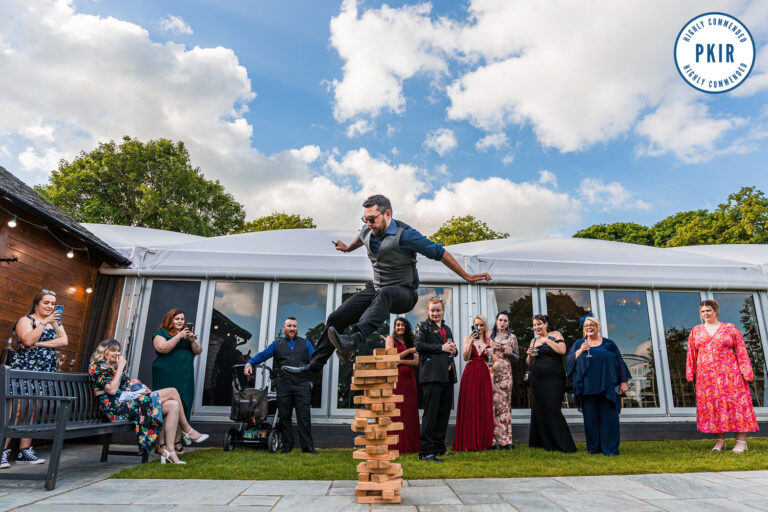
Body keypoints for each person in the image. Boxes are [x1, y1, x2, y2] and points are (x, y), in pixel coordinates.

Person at [283, 195, 491, 381]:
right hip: (378, 288)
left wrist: (466, 275)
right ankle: (315, 367)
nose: (369, 223)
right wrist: (347, 248)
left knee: (385, 293)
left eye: (373, 219)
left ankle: (354, 340)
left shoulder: (406, 235)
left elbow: (439, 252)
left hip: (404, 293)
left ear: (388, 214)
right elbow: (361, 238)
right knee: (336, 318)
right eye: (365, 219)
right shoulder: (367, 229)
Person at [88, 339, 208, 464]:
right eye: (113, 350)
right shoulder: (96, 367)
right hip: (115, 408)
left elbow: (123, 387)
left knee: (173, 405)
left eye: (118, 350)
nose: (117, 353)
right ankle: (187, 429)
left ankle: (170, 450)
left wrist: (135, 384)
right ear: (104, 351)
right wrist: (121, 368)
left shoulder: (112, 367)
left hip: (129, 403)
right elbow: (112, 391)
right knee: (172, 391)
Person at [2, 290, 67, 469]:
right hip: (25, 370)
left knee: (32, 410)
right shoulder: (26, 320)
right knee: (16, 409)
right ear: (37, 304)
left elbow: (64, 341)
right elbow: (28, 340)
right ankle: (2, 450)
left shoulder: (55, 322)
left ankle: (24, 451)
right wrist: (43, 324)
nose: (50, 306)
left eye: (53, 304)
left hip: (44, 371)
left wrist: (41, 343)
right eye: (46, 303)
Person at [686, 299, 758, 453]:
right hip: (707, 378)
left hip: (731, 376)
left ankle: (741, 442)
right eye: (703, 311)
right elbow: (691, 353)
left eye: (708, 310)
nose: (706, 313)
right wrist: (690, 372)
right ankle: (720, 442)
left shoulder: (730, 328)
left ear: (716, 311)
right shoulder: (696, 331)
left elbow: (741, 350)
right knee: (715, 408)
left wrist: (746, 371)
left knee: (736, 406)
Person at [244, 317, 317, 454]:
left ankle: (307, 447)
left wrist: (311, 382)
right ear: (284, 328)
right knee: (284, 417)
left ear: (297, 328)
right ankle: (287, 446)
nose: (292, 328)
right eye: (289, 326)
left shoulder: (306, 343)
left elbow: (315, 363)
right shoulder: (277, 344)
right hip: (284, 385)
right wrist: (250, 363)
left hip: (302, 385)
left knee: (304, 417)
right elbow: (263, 355)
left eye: (294, 326)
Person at [567, 314, 629, 456]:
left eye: (592, 325)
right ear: (584, 329)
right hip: (587, 387)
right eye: (586, 326)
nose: (589, 327)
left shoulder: (609, 344)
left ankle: (610, 449)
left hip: (607, 386)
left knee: (610, 419)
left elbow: (620, 362)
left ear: (597, 327)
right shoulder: (578, 344)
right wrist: (579, 351)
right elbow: (569, 361)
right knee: (591, 420)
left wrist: (623, 382)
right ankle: (594, 448)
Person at [152, 308, 202, 453]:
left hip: (185, 375)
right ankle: (160, 444)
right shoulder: (161, 333)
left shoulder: (187, 335)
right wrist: (179, 336)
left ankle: (176, 442)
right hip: (166, 375)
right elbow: (162, 348)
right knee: (164, 407)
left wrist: (193, 341)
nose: (180, 321)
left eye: (182, 319)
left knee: (183, 406)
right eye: (177, 318)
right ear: (170, 320)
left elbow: (198, 351)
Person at [526, 315, 576, 453]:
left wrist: (546, 340)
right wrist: (530, 354)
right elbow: (529, 362)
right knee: (539, 409)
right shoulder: (533, 340)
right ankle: (543, 443)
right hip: (537, 379)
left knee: (553, 408)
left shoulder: (555, 334)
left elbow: (562, 350)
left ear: (546, 324)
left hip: (554, 378)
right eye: (534, 325)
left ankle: (564, 444)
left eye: (539, 324)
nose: (537, 327)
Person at [416, 297, 457, 462]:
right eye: (432, 310)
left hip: (447, 376)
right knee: (431, 415)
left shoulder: (447, 328)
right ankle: (426, 452)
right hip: (431, 377)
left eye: (438, 310)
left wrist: (453, 350)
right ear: (428, 311)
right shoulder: (423, 327)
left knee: (443, 414)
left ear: (442, 311)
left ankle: (439, 448)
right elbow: (419, 346)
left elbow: (451, 349)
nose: (435, 313)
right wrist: (442, 348)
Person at [453, 314, 495, 452]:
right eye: (477, 325)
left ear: (485, 326)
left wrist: (490, 355)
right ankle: (468, 440)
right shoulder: (467, 338)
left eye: (482, 325)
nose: (479, 328)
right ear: (473, 326)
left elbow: (491, 362)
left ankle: (483, 441)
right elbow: (465, 357)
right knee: (470, 404)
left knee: (483, 404)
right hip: (470, 373)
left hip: (483, 373)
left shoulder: (489, 340)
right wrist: (471, 341)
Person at [385, 317, 420, 454]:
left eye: (402, 325)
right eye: (397, 325)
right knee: (396, 409)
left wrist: (402, 361)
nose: (400, 327)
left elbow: (416, 363)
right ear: (394, 327)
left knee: (409, 410)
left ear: (406, 327)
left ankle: (411, 446)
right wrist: (409, 352)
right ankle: (395, 445)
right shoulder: (390, 339)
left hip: (409, 380)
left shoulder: (411, 341)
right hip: (396, 380)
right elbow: (390, 358)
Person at [489, 311, 519, 450]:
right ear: (496, 321)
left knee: (505, 405)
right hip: (491, 373)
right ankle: (493, 440)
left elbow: (517, 357)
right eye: (500, 320)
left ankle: (507, 440)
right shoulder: (489, 335)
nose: (502, 323)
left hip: (505, 373)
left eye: (505, 321)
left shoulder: (512, 337)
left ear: (508, 323)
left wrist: (509, 353)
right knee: (492, 404)